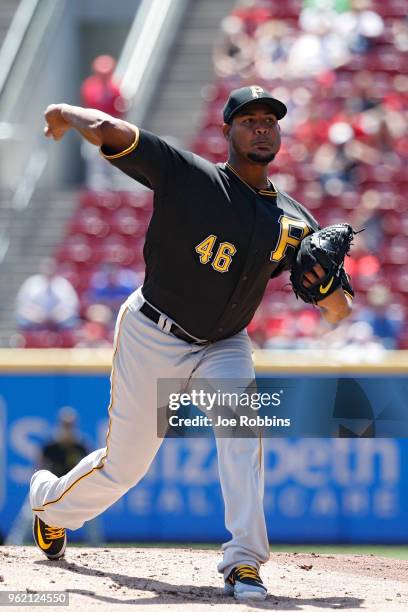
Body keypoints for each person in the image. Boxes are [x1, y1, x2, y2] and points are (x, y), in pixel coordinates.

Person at [30, 86, 352, 601]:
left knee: (243, 427)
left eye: (270, 119)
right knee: (124, 468)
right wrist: (67, 113)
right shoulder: (190, 176)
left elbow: (339, 311)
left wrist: (328, 288)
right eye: (249, 120)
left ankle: (244, 562)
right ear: (227, 131)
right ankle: (49, 503)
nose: (262, 127)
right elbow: (116, 133)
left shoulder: (294, 222)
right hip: (152, 333)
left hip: (224, 343)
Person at [15, 257, 79, 331]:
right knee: (22, 320)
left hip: (59, 318)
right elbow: (22, 302)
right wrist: (36, 314)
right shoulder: (31, 282)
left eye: (50, 266)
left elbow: (71, 304)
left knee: (72, 321)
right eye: (46, 266)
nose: (48, 269)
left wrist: (56, 314)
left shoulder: (63, 283)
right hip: (34, 317)